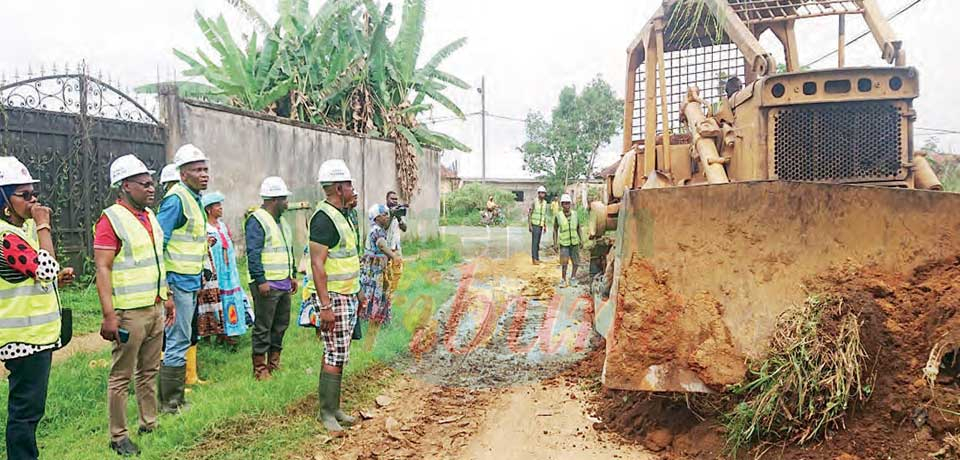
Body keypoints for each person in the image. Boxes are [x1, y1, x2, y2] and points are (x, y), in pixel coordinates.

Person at [93, 154, 173, 456]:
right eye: (145, 184)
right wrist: (109, 315)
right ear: (126, 186)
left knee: (150, 370)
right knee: (121, 376)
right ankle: (118, 436)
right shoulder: (110, 219)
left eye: (152, 183)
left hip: (154, 306)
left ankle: (149, 422)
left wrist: (166, 298)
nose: (152, 188)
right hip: (128, 313)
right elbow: (103, 268)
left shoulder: (149, 216)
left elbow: (156, 261)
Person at [0, 156, 74, 460]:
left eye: (34, 194)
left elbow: (40, 272)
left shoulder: (22, 229)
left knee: (29, 410)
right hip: (23, 339)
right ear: (4, 198)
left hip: (35, 335)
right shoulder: (5, 237)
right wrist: (44, 225)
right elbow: (44, 267)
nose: (33, 201)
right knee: (25, 413)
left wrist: (56, 276)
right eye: (24, 195)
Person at [307, 159, 361, 433]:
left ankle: (335, 408)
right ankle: (327, 412)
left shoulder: (342, 215)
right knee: (333, 352)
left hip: (347, 294)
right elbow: (318, 265)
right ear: (339, 187)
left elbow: (348, 256)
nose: (354, 189)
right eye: (350, 185)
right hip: (335, 297)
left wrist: (357, 292)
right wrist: (325, 306)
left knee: (341, 353)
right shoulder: (323, 218)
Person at [156, 144, 210, 413]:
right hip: (176, 281)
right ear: (182, 174)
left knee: (183, 337)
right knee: (178, 338)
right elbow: (159, 242)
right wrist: (164, 287)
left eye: (205, 169)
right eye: (197, 170)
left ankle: (174, 399)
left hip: (189, 280)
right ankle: (171, 403)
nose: (204, 174)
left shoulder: (193, 198)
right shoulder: (176, 200)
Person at [244, 176, 296, 381]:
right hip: (267, 284)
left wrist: (291, 275)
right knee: (263, 326)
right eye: (284, 199)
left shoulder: (282, 222)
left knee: (280, 324)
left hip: (283, 282)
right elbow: (253, 253)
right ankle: (260, 369)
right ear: (274, 199)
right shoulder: (257, 220)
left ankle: (274, 363)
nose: (287, 203)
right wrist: (260, 280)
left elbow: (286, 250)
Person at [203, 192, 250, 347]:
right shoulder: (206, 229)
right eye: (218, 206)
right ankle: (219, 332)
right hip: (216, 273)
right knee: (217, 301)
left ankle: (232, 330)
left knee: (232, 298)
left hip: (229, 272)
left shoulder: (222, 226)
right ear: (209, 209)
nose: (221, 208)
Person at [360, 204, 401, 329]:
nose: (387, 217)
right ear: (377, 218)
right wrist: (394, 257)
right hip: (375, 268)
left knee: (375, 291)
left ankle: (373, 318)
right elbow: (381, 245)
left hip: (374, 267)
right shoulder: (377, 231)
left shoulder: (376, 229)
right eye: (384, 215)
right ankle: (375, 318)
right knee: (376, 291)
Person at [552, 194, 583, 288]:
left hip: (574, 242)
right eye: (564, 204)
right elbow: (555, 229)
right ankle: (563, 279)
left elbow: (578, 228)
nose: (566, 205)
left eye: (568, 203)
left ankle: (573, 278)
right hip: (564, 243)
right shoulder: (558, 216)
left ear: (570, 204)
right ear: (562, 205)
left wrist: (581, 240)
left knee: (576, 262)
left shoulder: (575, 214)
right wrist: (555, 243)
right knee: (564, 262)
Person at [384, 191, 405, 297]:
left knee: (398, 272)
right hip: (386, 247)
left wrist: (399, 217)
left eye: (396, 199)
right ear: (387, 199)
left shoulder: (398, 212)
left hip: (396, 247)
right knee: (386, 272)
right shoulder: (383, 212)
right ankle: (385, 294)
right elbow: (385, 226)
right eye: (392, 199)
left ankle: (391, 294)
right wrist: (391, 215)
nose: (395, 201)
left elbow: (404, 228)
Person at [528, 185, 549, 265]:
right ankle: (534, 259)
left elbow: (544, 215)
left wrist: (545, 226)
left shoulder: (545, 203)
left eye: (544, 193)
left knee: (538, 243)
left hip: (540, 225)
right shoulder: (534, 201)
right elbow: (529, 214)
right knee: (535, 242)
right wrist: (530, 225)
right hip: (535, 225)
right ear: (538, 193)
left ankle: (537, 258)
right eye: (541, 193)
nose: (542, 195)